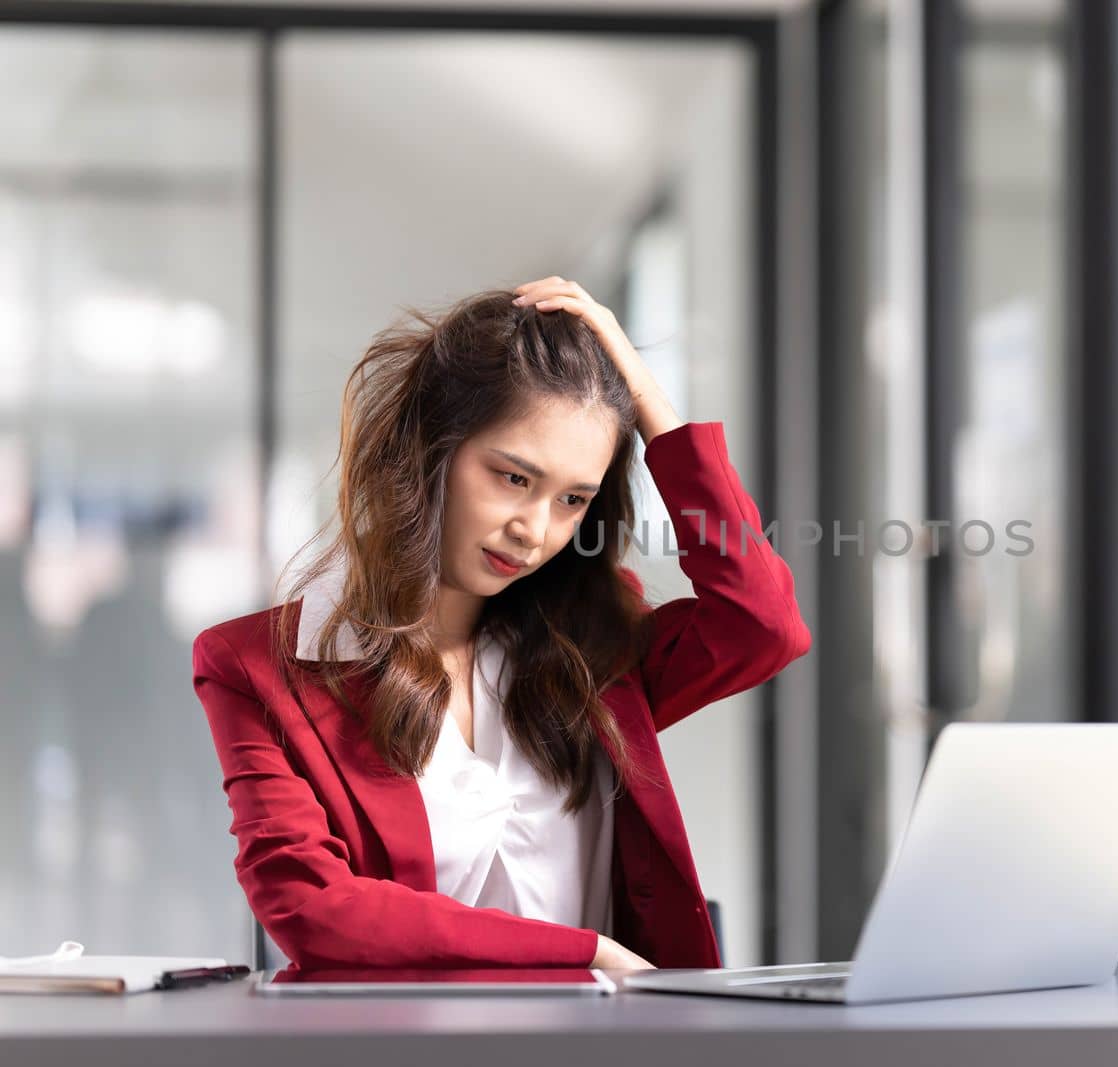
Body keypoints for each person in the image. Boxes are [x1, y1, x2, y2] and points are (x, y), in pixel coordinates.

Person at [191, 277, 810, 972]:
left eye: (573, 498)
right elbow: (315, 909)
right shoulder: (260, 665)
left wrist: (649, 400)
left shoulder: (592, 647)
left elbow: (763, 623)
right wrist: (589, 953)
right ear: (432, 448)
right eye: (514, 478)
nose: (534, 529)